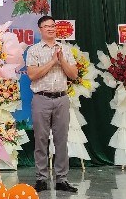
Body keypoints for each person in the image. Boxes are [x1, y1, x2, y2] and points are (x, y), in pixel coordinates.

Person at [26, 15, 79, 193]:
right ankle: (41, 179)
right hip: (41, 98)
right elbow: (32, 75)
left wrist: (61, 59)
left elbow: (74, 75)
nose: (51, 28)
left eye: (53, 26)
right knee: (41, 139)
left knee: (61, 140)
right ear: (40, 29)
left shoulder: (66, 49)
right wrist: (52, 61)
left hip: (62, 99)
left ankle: (61, 179)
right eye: (47, 26)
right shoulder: (34, 50)